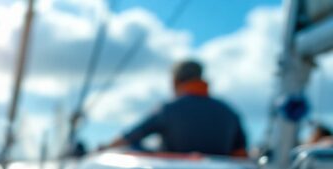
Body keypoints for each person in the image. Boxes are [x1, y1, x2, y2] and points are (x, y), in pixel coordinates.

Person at [105, 60, 248, 157]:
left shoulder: (168, 109)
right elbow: (240, 154)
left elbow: (128, 138)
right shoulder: (229, 112)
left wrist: (102, 149)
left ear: (175, 82)